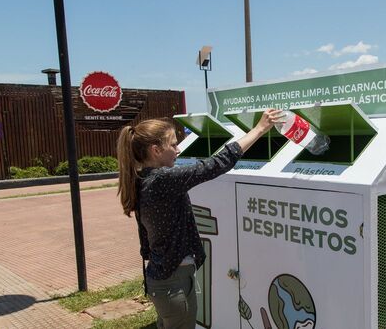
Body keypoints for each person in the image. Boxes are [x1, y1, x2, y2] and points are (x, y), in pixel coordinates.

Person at [116, 109, 282, 328]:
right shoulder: (162, 180)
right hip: (173, 282)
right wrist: (260, 129)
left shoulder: (141, 179)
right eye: (173, 145)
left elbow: (145, 236)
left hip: (161, 277)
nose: (178, 150)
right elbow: (214, 165)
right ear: (156, 150)